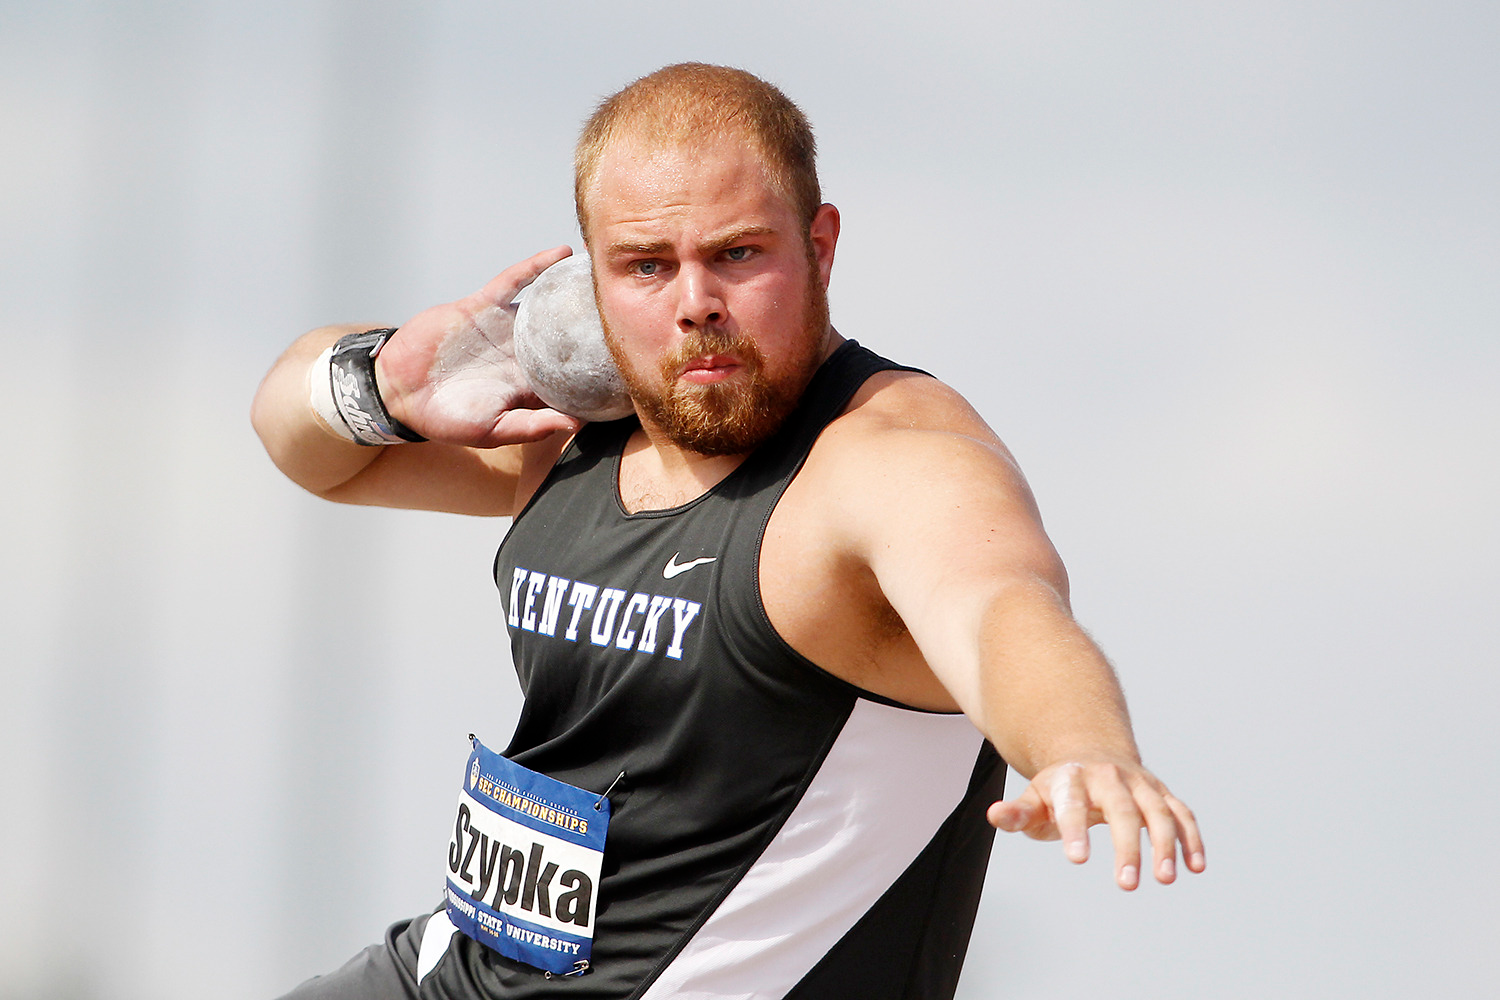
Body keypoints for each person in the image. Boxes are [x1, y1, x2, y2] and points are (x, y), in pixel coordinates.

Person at [252, 63, 1203, 1000]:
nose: (694, 303)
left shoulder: (888, 462)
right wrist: (380, 387)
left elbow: (999, 607)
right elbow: (309, 449)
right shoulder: (574, 431)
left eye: (737, 255)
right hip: (451, 975)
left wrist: (1082, 747)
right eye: (647, 266)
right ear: (590, 275)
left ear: (821, 247)